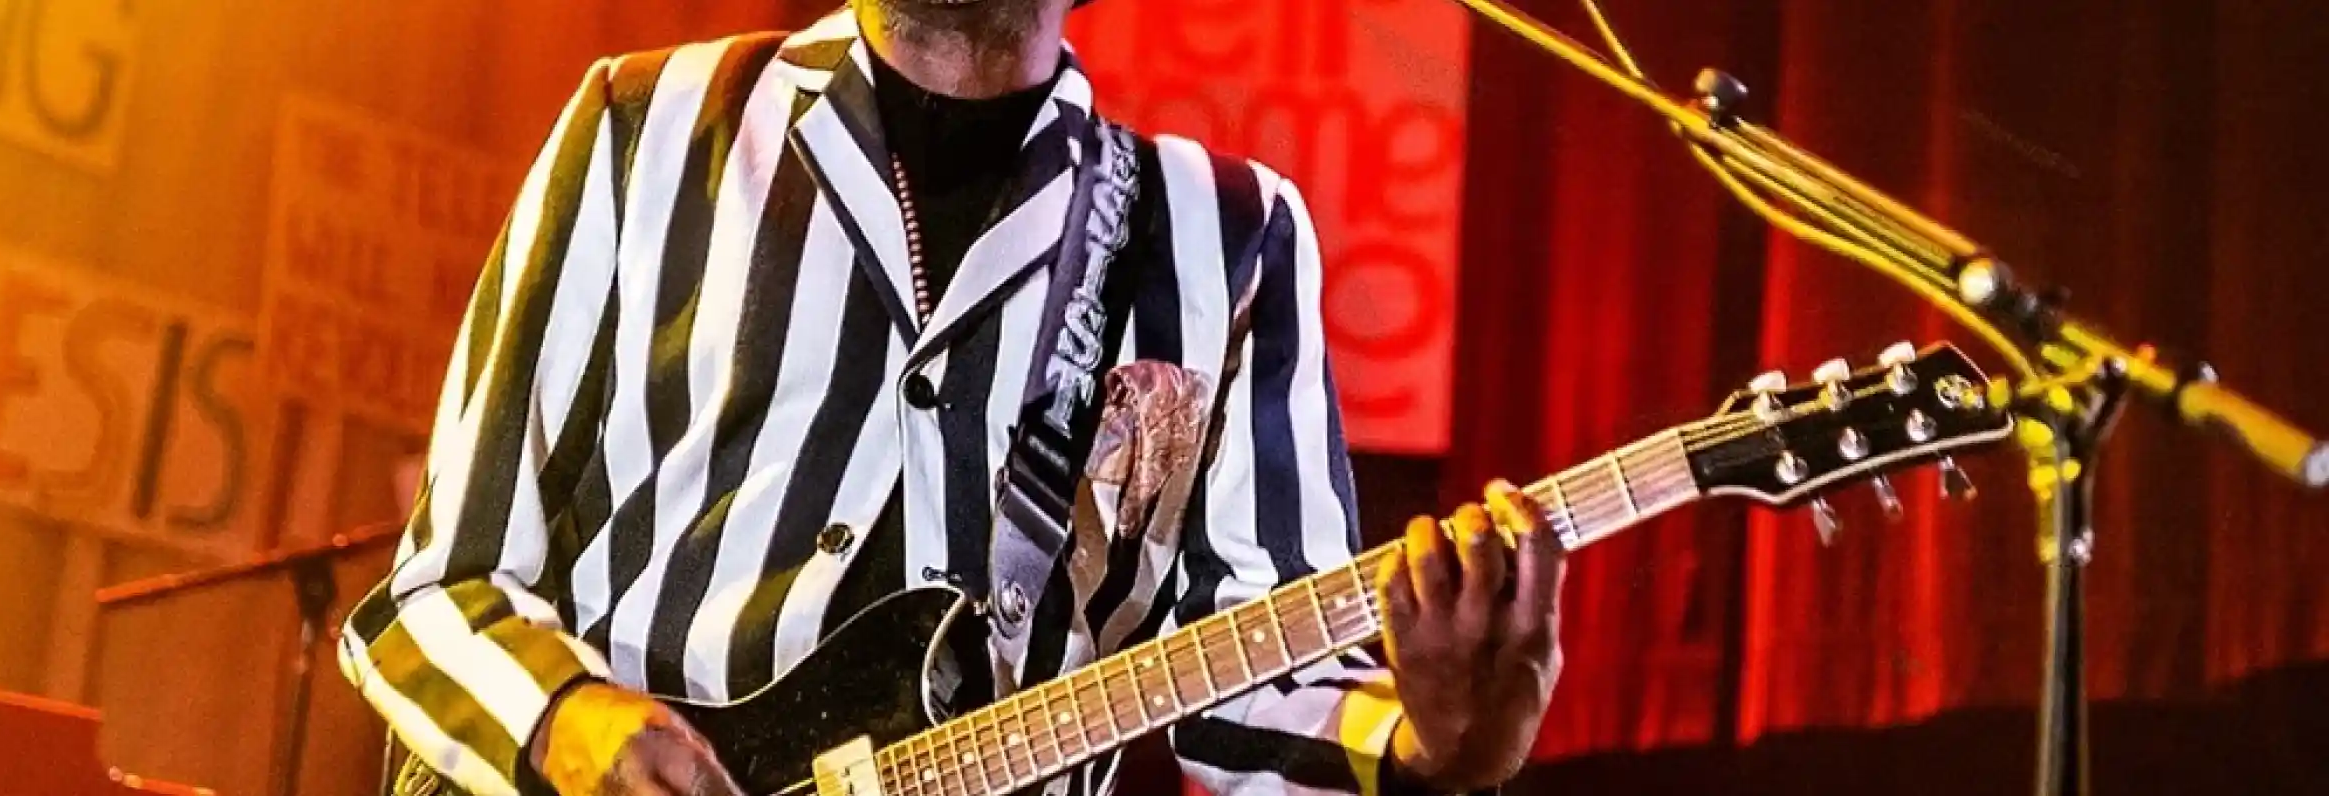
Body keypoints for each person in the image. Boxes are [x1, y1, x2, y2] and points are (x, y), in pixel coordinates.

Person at [336, 0, 1567, 794]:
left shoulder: (1228, 233)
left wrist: (1431, 744)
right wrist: (568, 723)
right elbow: (428, 593)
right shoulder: (642, 124)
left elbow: (1251, 670)